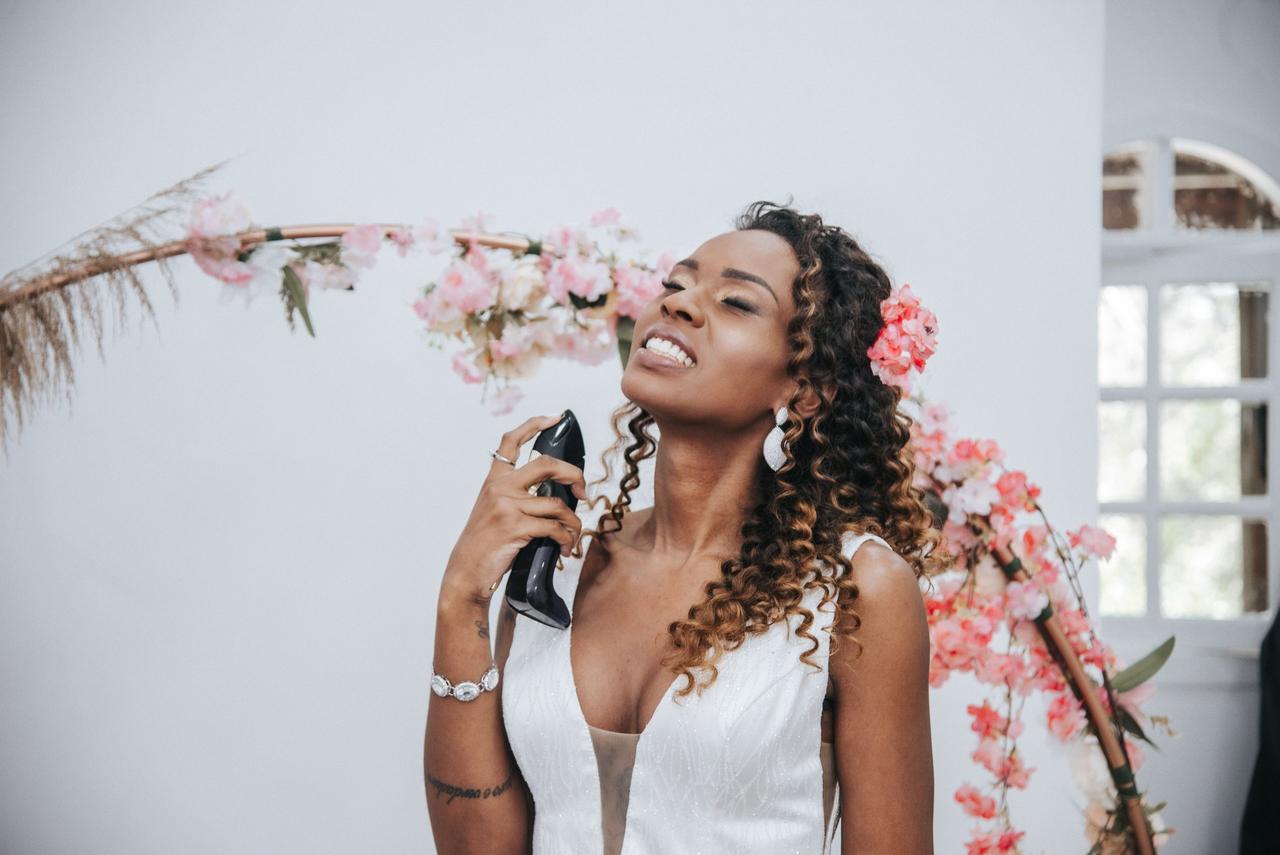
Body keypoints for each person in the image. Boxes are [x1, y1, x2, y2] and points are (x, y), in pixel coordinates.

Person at [424, 201, 942, 854]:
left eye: (735, 302)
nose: (679, 304)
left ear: (803, 387)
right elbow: (476, 848)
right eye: (675, 285)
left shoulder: (855, 588)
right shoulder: (554, 563)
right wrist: (461, 595)